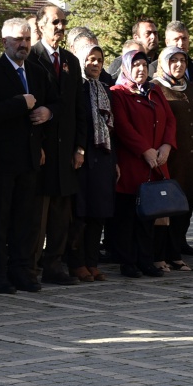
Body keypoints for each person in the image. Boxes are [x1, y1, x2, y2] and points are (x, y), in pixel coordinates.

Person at [0, 18, 49, 293]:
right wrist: (20, 103)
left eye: (27, 39)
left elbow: (52, 102)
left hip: (30, 158)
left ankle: (23, 271)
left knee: (26, 220)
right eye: (18, 40)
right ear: (3, 42)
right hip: (1, 160)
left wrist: (48, 112)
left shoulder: (36, 71)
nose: (24, 45)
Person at [26, 5, 83, 286]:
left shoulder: (72, 61)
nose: (60, 27)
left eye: (63, 22)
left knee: (62, 213)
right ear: (41, 25)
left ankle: (55, 264)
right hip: (42, 149)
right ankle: (31, 268)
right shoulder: (31, 58)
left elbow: (78, 108)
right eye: (55, 22)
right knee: (38, 213)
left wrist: (80, 147)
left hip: (66, 151)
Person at [110, 49, 177, 277]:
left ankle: (146, 260)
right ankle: (128, 263)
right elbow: (122, 126)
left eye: (143, 65)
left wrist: (167, 145)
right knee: (128, 217)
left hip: (156, 163)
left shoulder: (154, 90)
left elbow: (169, 120)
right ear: (127, 68)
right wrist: (144, 150)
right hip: (132, 164)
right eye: (135, 65)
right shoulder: (118, 93)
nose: (140, 69)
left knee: (149, 216)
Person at [69, 38, 113, 281]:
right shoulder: (77, 87)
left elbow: (109, 126)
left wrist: (113, 160)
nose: (95, 64)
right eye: (91, 59)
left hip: (103, 157)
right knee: (81, 213)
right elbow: (77, 121)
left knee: (98, 213)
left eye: (99, 60)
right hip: (82, 157)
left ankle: (92, 261)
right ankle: (76, 262)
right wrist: (79, 150)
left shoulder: (104, 88)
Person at [156, 47, 193, 269]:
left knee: (185, 205)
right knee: (167, 208)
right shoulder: (156, 87)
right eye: (173, 60)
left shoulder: (191, 88)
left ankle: (176, 253)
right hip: (168, 159)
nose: (178, 64)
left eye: (182, 60)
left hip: (190, 159)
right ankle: (162, 254)